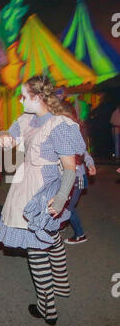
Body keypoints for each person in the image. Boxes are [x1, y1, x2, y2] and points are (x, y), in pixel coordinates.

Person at [0, 76, 86, 326]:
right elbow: (9, 137)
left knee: (36, 249)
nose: (20, 100)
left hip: (44, 191)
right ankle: (62, 285)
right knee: (53, 238)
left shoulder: (60, 125)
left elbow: (69, 168)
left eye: (24, 96)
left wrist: (60, 199)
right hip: (25, 185)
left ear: (37, 98)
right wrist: (3, 136)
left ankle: (48, 309)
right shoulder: (25, 120)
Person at [60, 103, 97, 245]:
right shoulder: (62, 131)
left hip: (77, 178)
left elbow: (84, 152)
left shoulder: (74, 132)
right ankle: (61, 223)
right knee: (63, 204)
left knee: (68, 207)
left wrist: (90, 164)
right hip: (65, 177)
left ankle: (80, 234)